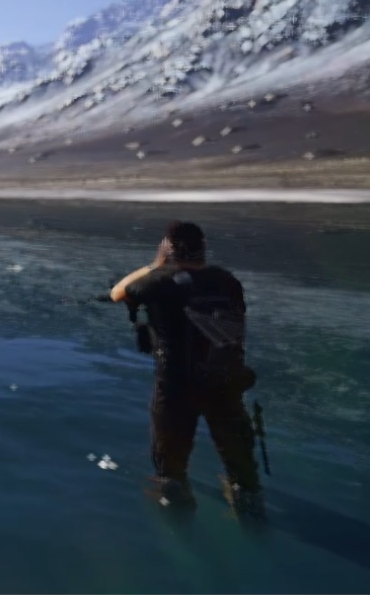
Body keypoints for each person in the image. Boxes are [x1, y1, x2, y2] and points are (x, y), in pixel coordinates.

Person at [110, 220, 264, 520]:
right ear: (202, 248)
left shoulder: (158, 280)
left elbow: (119, 292)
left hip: (177, 386)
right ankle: (250, 511)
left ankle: (178, 519)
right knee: (241, 467)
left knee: (170, 468)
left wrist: (156, 265)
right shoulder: (227, 280)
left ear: (166, 248)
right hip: (226, 383)